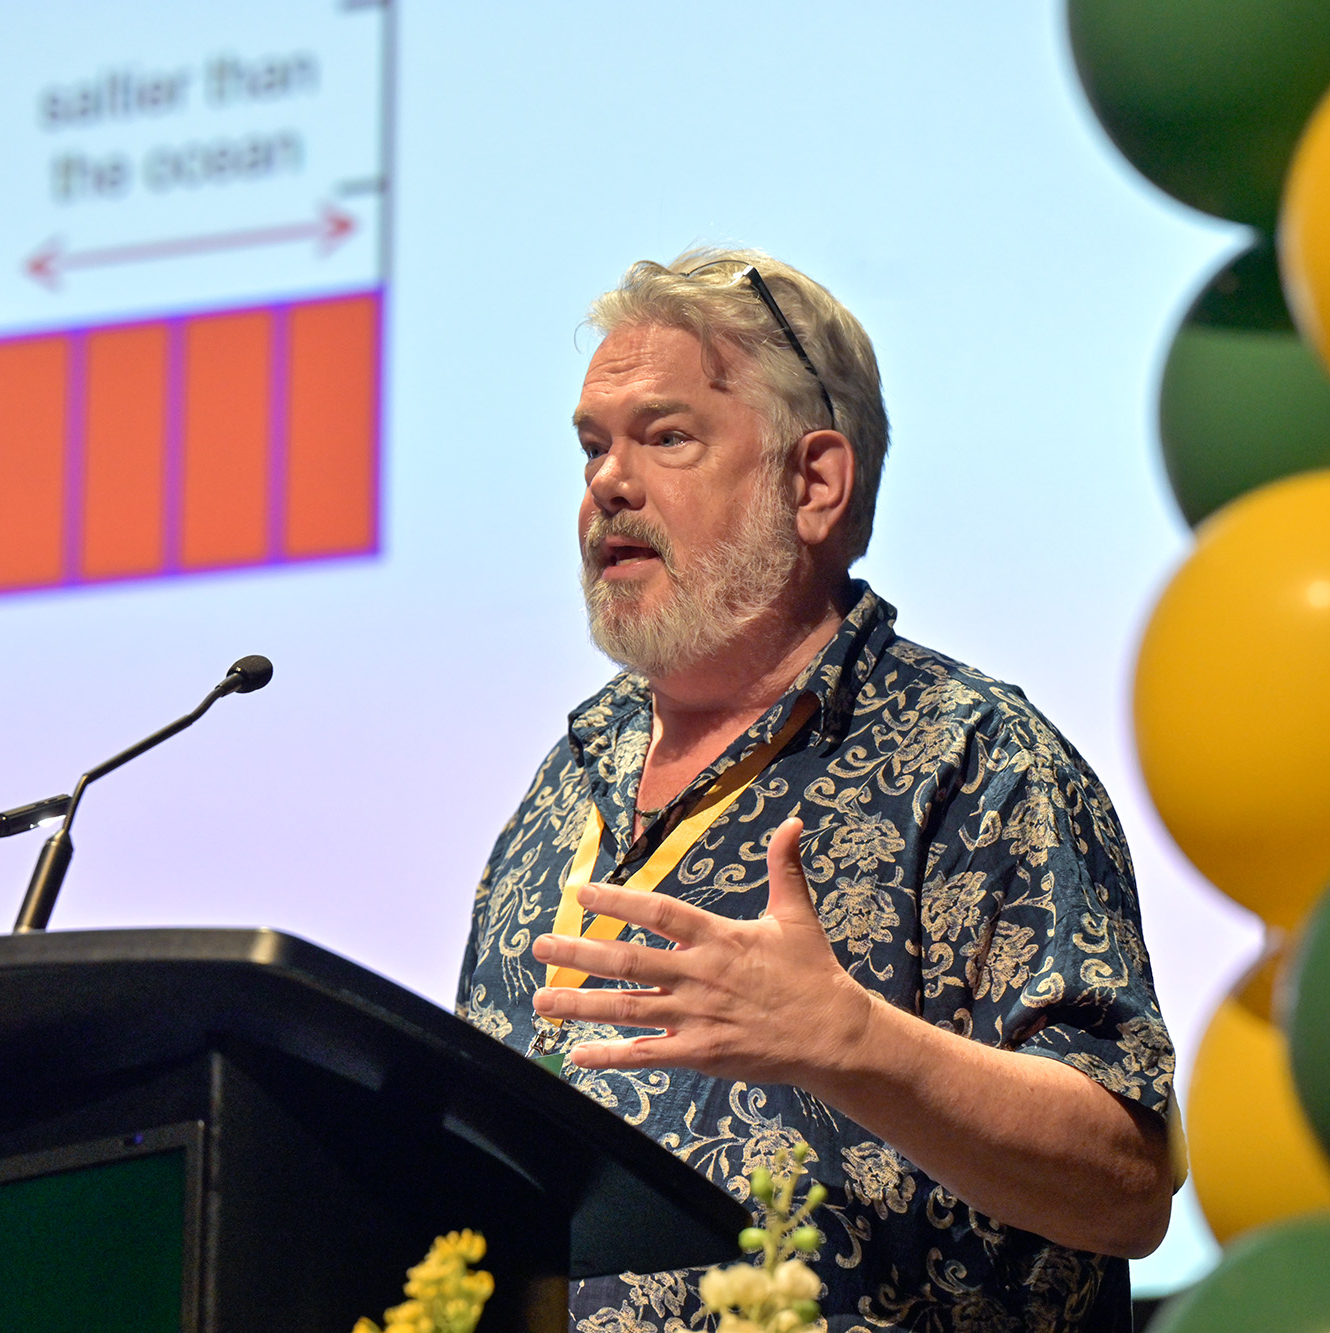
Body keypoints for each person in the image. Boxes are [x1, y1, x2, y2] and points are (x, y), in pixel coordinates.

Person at [456, 249, 1175, 1332]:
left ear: (814, 482)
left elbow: (1123, 1179)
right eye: (592, 447)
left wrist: (850, 1040)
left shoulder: (973, 757)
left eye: (666, 436)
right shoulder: (562, 788)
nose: (607, 482)